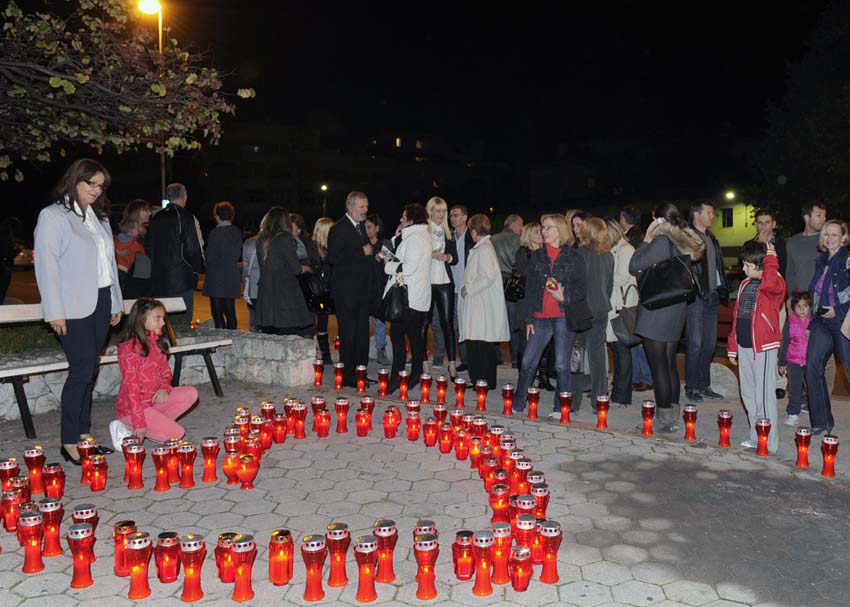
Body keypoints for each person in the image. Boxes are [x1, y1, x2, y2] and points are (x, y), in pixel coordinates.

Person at [34, 158, 124, 464]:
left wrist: (115, 301)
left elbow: (108, 266)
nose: (97, 191)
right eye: (92, 184)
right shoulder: (53, 216)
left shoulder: (100, 218)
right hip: (71, 306)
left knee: (90, 371)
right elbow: (47, 266)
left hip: (100, 301)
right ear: (75, 180)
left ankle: (84, 435)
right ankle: (69, 441)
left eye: (101, 186)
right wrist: (54, 310)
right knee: (82, 370)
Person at [629, 203, 705, 433]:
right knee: (669, 362)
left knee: (658, 365)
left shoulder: (662, 241)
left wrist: (647, 239)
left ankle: (664, 420)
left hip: (657, 309)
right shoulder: (683, 241)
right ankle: (673, 412)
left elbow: (634, 265)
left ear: (659, 220)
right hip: (676, 309)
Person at [513, 214, 587, 415]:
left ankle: (560, 407)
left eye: (547, 228)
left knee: (562, 364)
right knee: (528, 361)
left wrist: (565, 296)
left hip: (563, 315)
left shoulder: (574, 257)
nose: (543, 231)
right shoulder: (537, 256)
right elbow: (529, 291)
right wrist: (528, 318)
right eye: (543, 228)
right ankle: (519, 403)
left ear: (559, 231)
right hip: (539, 317)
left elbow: (582, 289)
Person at [109, 298, 199, 450]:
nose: (163, 323)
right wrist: (139, 423)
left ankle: (155, 424)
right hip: (133, 409)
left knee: (191, 393)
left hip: (153, 401)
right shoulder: (129, 348)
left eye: (163, 318)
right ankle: (127, 425)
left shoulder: (156, 342)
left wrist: (164, 387)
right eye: (157, 318)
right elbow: (132, 389)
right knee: (177, 433)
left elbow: (166, 372)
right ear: (141, 319)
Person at [727, 241, 785, 453]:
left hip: (763, 347)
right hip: (744, 346)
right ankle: (756, 435)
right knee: (748, 394)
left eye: (748, 265)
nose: (743, 269)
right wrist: (733, 346)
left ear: (761, 264)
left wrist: (771, 258)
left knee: (764, 396)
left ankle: (768, 442)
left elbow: (770, 284)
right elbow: (737, 317)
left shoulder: (774, 281)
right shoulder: (745, 284)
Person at [805, 219, 850, 435]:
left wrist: (838, 310)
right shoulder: (822, 260)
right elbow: (815, 292)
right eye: (826, 235)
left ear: (843, 237)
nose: (830, 238)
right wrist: (811, 320)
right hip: (821, 322)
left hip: (842, 322)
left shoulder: (847, 259)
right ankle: (821, 423)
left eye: (834, 234)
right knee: (812, 366)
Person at [381, 203, 432, 395]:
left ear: (411, 220)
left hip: (409, 298)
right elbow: (402, 254)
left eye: (404, 217)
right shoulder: (417, 236)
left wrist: (388, 265)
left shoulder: (416, 239)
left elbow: (407, 267)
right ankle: (416, 374)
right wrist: (397, 237)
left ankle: (396, 378)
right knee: (415, 336)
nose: (401, 220)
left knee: (397, 335)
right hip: (415, 297)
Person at [328, 192, 376, 388]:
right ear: (350, 207)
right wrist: (361, 252)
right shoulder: (339, 228)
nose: (365, 210)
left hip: (361, 291)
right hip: (346, 292)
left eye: (366, 206)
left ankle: (361, 373)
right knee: (348, 334)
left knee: (362, 334)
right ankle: (348, 377)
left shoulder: (360, 228)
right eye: (361, 206)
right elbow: (334, 258)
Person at [458, 214, 509, 388]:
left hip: (480, 304)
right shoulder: (483, 248)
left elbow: (487, 277)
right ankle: (482, 380)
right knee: (479, 343)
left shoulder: (484, 249)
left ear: (473, 231)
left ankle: (483, 380)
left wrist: (468, 288)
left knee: (480, 344)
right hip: (479, 304)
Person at [685, 201, 728, 402]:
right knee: (695, 343)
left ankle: (704, 385)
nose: (713, 216)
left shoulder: (712, 238)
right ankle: (692, 387)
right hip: (696, 298)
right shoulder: (687, 237)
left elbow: (717, 267)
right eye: (709, 212)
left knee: (710, 345)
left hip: (712, 296)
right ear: (696, 214)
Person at [146, 183, 205, 325]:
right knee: (181, 324)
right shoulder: (186, 217)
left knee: (162, 322)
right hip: (181, 280)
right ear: (185, 197)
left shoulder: (157, 217)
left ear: (168, 197)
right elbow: (193, 248)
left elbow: (148, 246)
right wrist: (197, 271)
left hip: (159, 280)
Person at [254, 207, 314, 336]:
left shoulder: (261, 239)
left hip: (266, 294)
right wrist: (307, 268)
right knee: (287, 335)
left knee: (270, 336)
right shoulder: (285, 238)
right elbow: (296, 268)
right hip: (285, 295)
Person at [576, 218, 613, 411]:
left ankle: (572, 400)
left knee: (577, 353)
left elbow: (576, 285)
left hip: (583, 309)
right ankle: (600, 398)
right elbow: (609, 286)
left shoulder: (580, 253)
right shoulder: (608, 255)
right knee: (598, 355)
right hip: (601, 308)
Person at [423, 197, 459, 379]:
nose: (441, 214)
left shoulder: (448, 232)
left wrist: (446, 257)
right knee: (424, 323)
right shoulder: (423, 230)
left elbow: (456, 258)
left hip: (444, 282)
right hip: (426, 282)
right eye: (438, 211)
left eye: (443, 211)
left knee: (447, 324)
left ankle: (452, 364)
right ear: (430, 211)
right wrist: (429, 255)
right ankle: (423, 363)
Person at [515, 222, 552, 390]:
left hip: (545, 302)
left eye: (541, 232)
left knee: (545, 342)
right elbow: (527, 276)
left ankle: (543, 377)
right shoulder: (523, 253)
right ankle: (524, 378)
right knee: (527, 341)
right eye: (537, 232)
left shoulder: (546, 253)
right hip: (527, 303)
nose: (541, 235)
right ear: (529, 235)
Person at [605, 218, 638, 407]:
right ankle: (618, 392)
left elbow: (622, 277)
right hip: (615, 305)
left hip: (622, 307)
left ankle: (622, 396)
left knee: (621, 350)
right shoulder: (616, 249)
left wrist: (602, 278)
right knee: (618, 351)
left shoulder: (626, 250)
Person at [203, 201, 242, 330]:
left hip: (216, 276)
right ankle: (233, 338)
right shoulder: (236, 232)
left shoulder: (216, 233)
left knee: (217, 312)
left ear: (217, 216)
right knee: (230, 311)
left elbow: (209, 257)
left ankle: (222, 340)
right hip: (231, 275)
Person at [491, 213, 524, 366]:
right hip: (511, 282)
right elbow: (516, 262)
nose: (522, 228)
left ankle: (495, 355)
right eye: (520, 224)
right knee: (514, 323)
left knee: (495, 320)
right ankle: (516, 358)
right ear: (511, 224)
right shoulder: (518, 240)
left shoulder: (493, 239)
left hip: (494, 281)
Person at [779, 290, 812, 426]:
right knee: (795, 389)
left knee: (813, 388)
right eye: (799, 306)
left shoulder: (815, 324)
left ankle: (815, 411)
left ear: (810, 307)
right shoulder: (790, 324)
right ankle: (793, 413)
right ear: (793, 308)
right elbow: (785, 344)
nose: (802, 309)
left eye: (805, 306)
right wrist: (782, 363)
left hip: (811, 362)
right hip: (794, 362)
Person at [450, 204, 474, 370]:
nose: (453, 218)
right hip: (451, 287)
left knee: (468, 324)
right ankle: (465, 359)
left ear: (465, 217)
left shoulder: (470, 238)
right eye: (451, 215)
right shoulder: (449, 237)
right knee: (456, 326)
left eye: (456, 215)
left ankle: (471, 359)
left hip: (466, 287)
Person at [786, 201, 827, 297]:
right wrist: (790, 299)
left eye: (824, 216)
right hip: (800, 302)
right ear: (807, 217)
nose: (823, 219)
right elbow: (790, 274)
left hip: (823, 299)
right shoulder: (792, 242)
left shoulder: (828, 240)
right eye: (819, 215)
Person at [365, 213, 390, 366]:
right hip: (365, 289)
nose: (367, 230)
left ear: (377, 228)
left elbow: (393, 261)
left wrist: (383, 258)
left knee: (380, 321)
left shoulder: (384, 244)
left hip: (380, 288)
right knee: (364, 322)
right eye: (365, 227)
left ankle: (380, 351)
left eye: (369, 227)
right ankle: (363, 350)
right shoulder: (362, 244)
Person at [114, 199, 151, 299]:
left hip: (136, 283)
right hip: (129, 284)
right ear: (138, 212)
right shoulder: (123, 234)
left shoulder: (148, 232)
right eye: (146, 210)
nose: (150, 213)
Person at [311, 217, 335, 363]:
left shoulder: (329, 248)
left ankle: (325, 356)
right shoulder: (313, 249)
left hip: (328, 290)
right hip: (317, 292)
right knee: (320, 322)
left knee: (323, 321)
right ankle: (323, 355)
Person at [241, 223, 262, 332]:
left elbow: (245, 267)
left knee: (253, 314)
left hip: (253, 284)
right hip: (268, 286)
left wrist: (245, 283)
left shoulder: (250, 242)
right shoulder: (275, 242)